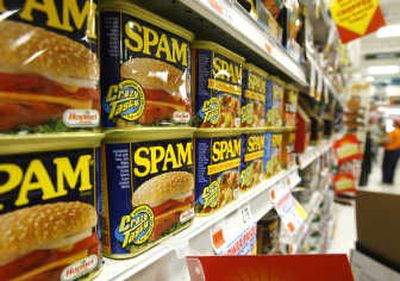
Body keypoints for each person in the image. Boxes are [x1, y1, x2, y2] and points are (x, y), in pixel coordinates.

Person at [382, 119, 400, 184]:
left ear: (395, 124)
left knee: (386, 166)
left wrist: (382, 140)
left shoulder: (392, 132)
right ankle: (390, 180)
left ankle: (385, 180)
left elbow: (387, 141)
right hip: (397, 151)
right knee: (393, 166)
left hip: (390, 150)